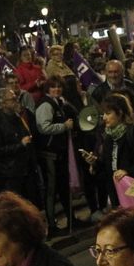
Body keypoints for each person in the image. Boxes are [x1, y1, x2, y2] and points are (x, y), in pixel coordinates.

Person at [34, 77, 79, 232]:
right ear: (47, 89)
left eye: (59, 87)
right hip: (50, 154)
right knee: (52, 190)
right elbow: (44, 128)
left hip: (59, 152)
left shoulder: (58, 103)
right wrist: (63, 126)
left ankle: (71, 219)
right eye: (53, 87)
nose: (57, 89)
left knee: (63, 187)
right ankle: (52, 226)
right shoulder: (46, 105)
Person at [0, 86, 42, 205]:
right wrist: (20, 145)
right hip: (12, 172)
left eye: (15, 98)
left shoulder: (18, 118)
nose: (16, 101)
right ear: (2, 104)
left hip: (26, 168)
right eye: (12, 99)